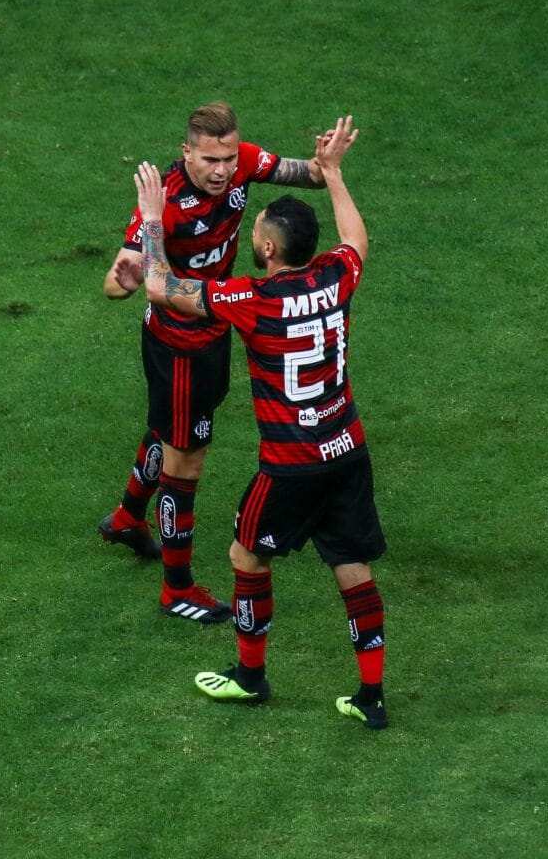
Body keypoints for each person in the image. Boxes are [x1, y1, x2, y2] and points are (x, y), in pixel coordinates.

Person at [133, 116, 390, 729]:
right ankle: (371, 697)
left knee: (245, 558)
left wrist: (149, 218)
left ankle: (250, 676)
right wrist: (332, 174)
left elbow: (160, 286)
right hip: (348, 450)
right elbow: (357, 236)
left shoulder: (251, 298)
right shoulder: (337, 275)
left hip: (291, 464)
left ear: (269, 248)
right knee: (352, 569)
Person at [99, 102, 334, 625]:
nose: (223, 170)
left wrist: (326, 161)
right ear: (187, 153)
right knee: (186, 463)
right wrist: (126, 276)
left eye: (228, 157)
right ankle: (176, 588)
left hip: (215, 331)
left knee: (167, 430)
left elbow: (309, 175)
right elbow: (116, 284)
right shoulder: (163, 202)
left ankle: (125, 517)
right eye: (209, 159)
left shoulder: (245, 163)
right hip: (178, 346)